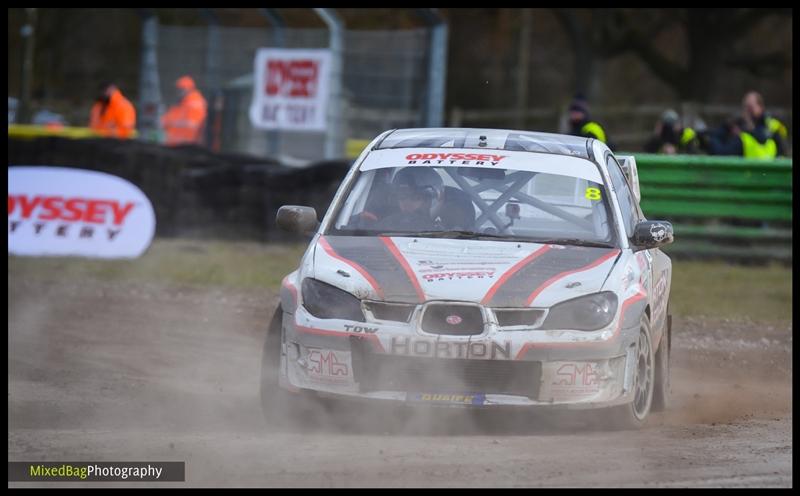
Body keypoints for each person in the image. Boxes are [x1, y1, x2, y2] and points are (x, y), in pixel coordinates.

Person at [376, 167, 445, 231]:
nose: (407, 203)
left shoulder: (445, 233)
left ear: (430, 200)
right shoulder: (385, 226)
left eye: (415, 197)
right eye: (402, 196)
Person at [161, 75, 207, 146]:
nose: (178, 92)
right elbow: (166, 121)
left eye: (180, 89)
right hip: (178, 145)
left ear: (188, 89)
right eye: (177, 89)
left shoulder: (194, 103)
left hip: (188, 146)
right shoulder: (181, 103)